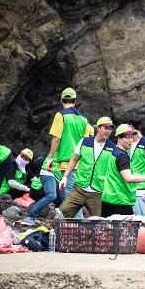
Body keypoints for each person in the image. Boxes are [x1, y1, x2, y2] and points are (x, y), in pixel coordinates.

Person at [46, 87, 93, 218]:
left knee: (71, 196)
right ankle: (78, 225)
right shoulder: (84, 119)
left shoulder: (60, 115)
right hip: (81, 163)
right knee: (76, 194)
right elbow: (85, 143)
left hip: (67, 164)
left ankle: (77, 226)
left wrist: (50, 158)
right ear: (75, 101)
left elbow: (56, 137)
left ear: (61, 100)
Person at [58, 117, 116, 218]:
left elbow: (114, 170)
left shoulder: (112, 148)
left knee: (100, 223)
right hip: (79, 188)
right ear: (98, 128)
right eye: (106, 128)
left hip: (98, 192)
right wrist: (65, 177)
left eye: (110, 129)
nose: (108, 131)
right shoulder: (85, 141)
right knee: (62, 214)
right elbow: (74, 159)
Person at [100, 124, 145, 217]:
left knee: (107, 230)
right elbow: (128, 178)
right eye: (127, 137)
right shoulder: (122, 156)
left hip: (108, 199)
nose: (130, 140)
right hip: (120, 201)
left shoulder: (115, 152)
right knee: (129, 230)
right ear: (119, 138)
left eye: (131, 137)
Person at [20, 155, 64, 226]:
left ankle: (59, 219)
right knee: (52, 195)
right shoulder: (54, 161)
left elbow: (33, 177)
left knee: (61, 200)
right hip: (37, 190)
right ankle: (30, 217)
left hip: (38, 187)